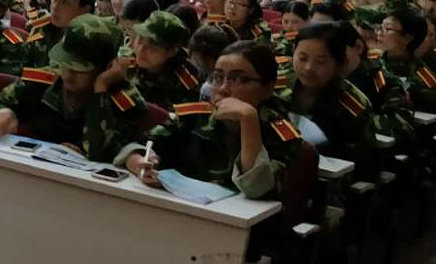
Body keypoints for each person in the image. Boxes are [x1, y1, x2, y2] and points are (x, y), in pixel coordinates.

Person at [120, 41, 301, 200]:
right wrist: (137, 161)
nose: (223, 89)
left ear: (267, 88)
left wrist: (248, 120)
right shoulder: (193, 116)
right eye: (218, 78)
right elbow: (139, 147)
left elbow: (256, 189)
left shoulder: (282, 135)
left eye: (240, 80)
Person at [0, 15, 148, 162]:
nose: (67, 75)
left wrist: (100, 88)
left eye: (79, 70)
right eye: (65, 64)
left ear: (108, 67)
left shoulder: (126, 103)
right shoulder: (42, 80)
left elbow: (101, 152)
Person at [281, 23, 377, 179]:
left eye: (321, 61)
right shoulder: (275, 85)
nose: (308, 68)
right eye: (302, 58)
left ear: (340, 64)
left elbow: (363, 162)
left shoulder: (353, 104)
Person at [128, 11, 202, 110]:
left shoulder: (186, 79)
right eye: (140, 40)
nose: (141, 50)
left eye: (152, 46)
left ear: (172, 51)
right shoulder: (124, 64)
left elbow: (190, 116)